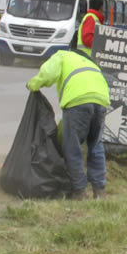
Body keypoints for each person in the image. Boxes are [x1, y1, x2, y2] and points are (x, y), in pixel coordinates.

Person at [26, 49, 111, 200]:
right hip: (101, 100)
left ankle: (79, 191)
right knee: (96, 145)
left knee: (72, 147)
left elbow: (48, 73)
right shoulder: (90, 64)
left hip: (78, 100)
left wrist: (34, 84)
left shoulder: (63, 55)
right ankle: (99, 191)